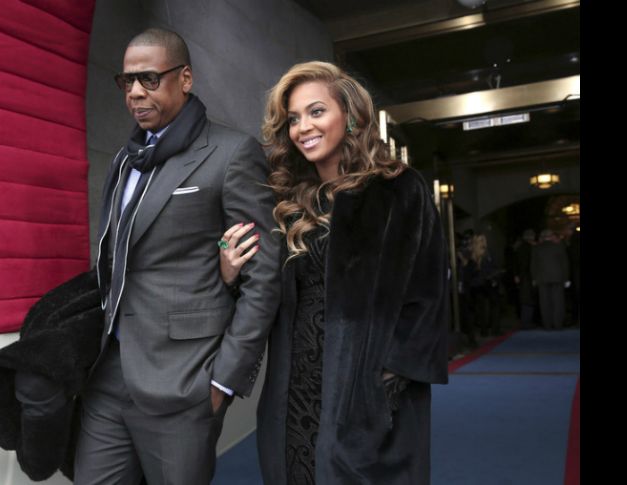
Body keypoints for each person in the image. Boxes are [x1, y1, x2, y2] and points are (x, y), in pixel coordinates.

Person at [219, 61, 448, 485]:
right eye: (293, 118)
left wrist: (385, 385)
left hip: (367, 387)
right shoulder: (288, 202)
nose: (303, 127)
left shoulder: (399, 189)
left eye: (316, 111)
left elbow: (428, 295)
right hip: (295, 384)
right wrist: (231, 274)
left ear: (351, 115)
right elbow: (266, 297)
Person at [74, 28, 281, 485]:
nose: (135, 92)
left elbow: (264, 277)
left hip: (184, 380)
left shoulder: (232, 153)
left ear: (185, 78)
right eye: (126, 81)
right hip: (110, 374)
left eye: (149, 79)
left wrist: (223, 381)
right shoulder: (124, 160)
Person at [530, 228, 570, 330]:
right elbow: (565, 264)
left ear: (542, 237)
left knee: (544, 303)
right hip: (558, 277)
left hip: (542, 278)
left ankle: (547, 325)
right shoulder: (559, 247)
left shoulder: (536, 248)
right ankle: (558, 324)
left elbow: (533, 265)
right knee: (558, 302)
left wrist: (534, 278)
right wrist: (566, 278)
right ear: (551, 236)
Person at [466, 234, 503, 336]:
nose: (484, 242)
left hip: (483, 283)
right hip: (482, 284)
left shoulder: (481, 253)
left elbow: (494, 266)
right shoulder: (478, 254)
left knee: (486, 307)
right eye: (482, 240)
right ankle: (489, 330)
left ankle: (488, 330)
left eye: (484, 240)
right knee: (487, 307)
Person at [513, 229, 537, 329]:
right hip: (529, 276)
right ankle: (526, 322)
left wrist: (516, 275)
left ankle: (524, 321)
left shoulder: (519, 248)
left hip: (522, 276)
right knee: (529, 299)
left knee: (524, 299)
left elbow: (515, 263)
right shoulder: (532, 248)